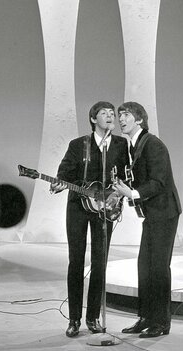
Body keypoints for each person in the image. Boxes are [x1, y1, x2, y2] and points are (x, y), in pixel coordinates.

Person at [50, 101, 129, 338]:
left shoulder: (121, 145)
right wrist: (58, 183)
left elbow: (127, 176)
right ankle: (74, 319)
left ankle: (93, 317)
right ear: (93, 119)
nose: (110, 117)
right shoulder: (78, 145)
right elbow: (64, 173)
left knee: (99, 262)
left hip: (106, 208)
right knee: (75, 261)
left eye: (112, 114)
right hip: (78, 207)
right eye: (104, 113)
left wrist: (117, 198)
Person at [113, 101, 181, 338]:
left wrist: (131, 193)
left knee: (159, 268)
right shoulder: (133, 145)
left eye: (126, 115)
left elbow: (159, 182)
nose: (121, 119)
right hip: (152, 214)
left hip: (165, 212)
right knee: (145, 266)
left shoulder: (153, 144)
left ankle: (161, 322)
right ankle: (145, 317)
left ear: (140, 119)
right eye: (119, 115)